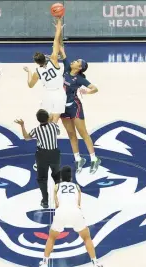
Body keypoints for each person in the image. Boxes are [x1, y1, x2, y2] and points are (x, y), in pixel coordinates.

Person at [39, 165, 103, 267]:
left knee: (51, 237)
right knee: (87, 238)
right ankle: (95, 263)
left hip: (61, 213)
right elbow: (78, 204)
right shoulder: (77, 187)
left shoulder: (57, 186)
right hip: (75, 212)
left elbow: (56, 204)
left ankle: (45, 263)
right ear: (71, 178)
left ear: (61, 177)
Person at [58, 46, 101, 174]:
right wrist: (59, 30)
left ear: (79, 68)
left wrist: (87, 91)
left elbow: (95, 88)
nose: (74, 61)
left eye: (77, 61)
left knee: (83, 133)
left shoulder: (80, 79)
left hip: (74, 106)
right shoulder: (66, 68)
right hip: (62, 107)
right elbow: (61, 49)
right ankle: (78, 159)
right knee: (71, 134)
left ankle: (94, 158)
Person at [14, 109, 60, 208]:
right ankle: (58, 199)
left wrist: (22, 125)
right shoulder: (54, 126)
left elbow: (26, 138)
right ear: (48, 117)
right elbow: (58, 132)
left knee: (42, 179)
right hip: (54, 154)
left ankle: (45, 200)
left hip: (42, 155)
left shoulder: (36, 130)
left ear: (38, 120)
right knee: (57, 177)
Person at [23, 18, 65, 123]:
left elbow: (30, 85)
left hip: (48, 94)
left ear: (36, 62)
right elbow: (56, 41)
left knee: (47, 118)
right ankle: (53, 132)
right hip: (59, 92)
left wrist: (28, 72)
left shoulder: (37, 72)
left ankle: (47, 135)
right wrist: (58, 26)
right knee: (55, 119)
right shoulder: (53, 60)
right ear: (45, 57)